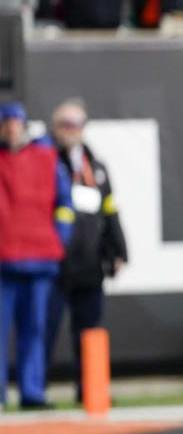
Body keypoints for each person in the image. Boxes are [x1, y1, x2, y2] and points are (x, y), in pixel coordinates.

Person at [44, 99, 127, 403]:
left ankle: (89, 390)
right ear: (55, 127)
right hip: (53, 262)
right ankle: (36, 390)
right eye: (65, 124)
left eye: (77, 124)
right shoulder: (46, 161)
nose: (71, 130)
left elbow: (110, 211)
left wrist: (118, 251)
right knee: (45, 328)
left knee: (89, 329)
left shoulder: (96, 165)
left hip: (89, 262)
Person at [0, 102, 73, 409]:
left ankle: (33, 392)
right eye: (7, 123)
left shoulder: (46, 159)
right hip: (5, 261)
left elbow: (65, 205)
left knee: (36, 329)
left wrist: (58, 240)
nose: (12, 128)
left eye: (16, 122)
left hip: (40, 260)